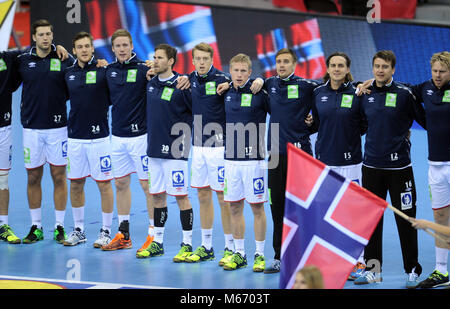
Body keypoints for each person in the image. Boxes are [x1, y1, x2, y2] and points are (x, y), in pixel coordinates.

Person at [355, 50, 426, 288]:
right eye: (377, 66)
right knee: (371, 220)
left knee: (406, 219)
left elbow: (426, 121)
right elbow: (362, 125)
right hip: (372, 168)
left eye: (385, 66)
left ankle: (412, 270)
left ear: (393, 69)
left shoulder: (405, 94)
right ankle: (373, 270)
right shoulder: (365, 94)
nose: (380, 70)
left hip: (400, 170)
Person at [253, 48, 317, 274]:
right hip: (275, 156)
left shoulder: (307, 86)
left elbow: (331, 91)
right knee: (277, 206)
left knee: (302, 207)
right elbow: (249, 81)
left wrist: (313, 120)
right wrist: (260, 78)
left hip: (300, 155)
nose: (281, 65)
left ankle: (307, 256)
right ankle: (280, 256)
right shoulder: (269, 84)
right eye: (278, 62)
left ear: (294, 64)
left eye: (286, 62)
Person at [15, 19, 75, 244]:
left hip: (58, 129)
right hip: (31, 129)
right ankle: (36, 227)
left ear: (52, 35)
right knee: (33, 177)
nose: (45, 38)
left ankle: (59, 226)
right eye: (41, 34)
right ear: (34, 37)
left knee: (59, 176)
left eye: (49, 34)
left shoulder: (62, 58)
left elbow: (78, 76)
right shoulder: (22, 60)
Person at [309, 52, 366, 280]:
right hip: (324, 161)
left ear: (347, 68)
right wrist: (309, 124)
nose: (336, 69)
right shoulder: (318, 93)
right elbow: (318, 123)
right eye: (333, 65)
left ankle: (359, 261)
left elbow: (364, 124)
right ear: (328, 67)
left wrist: (348, 139)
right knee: (326, 212)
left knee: (351, 213)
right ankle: (331, 259)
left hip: (351, 163)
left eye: (340, 65)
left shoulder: (357, 93)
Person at [136, 43, 195, 262]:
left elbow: (195, 112)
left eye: (160, 57)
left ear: (171, 61)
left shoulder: (182, 85)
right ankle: (157, 243)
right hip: (153, 151)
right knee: (157, 196)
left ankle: (187, 244)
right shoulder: (151, 82)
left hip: (175, 152)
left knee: (181, 197)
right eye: (154, 57)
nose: (155, 60)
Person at [100, 29, 154, 253]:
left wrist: (157, 65)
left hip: (140, 137)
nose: (122, 49)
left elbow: (168, 72)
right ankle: (124, 233)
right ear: (113, 48)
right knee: (120, 184)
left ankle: (154, 235)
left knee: (147, 186)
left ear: (132, 46)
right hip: (117, 137)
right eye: (118, 46)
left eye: (126, 45)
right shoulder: (108, 71)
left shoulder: (144, 69)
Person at [62, 31, 114, 248]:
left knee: (104, 185)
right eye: (79, 47)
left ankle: (106, 231)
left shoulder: (103, 71)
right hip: (75, 138)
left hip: (99, 138)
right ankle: (79, 230)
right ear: (74, 51)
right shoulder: (67, 74)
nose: (84, 50)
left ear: (93, 49)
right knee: (75, 184)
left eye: (87, 46)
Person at [183, 42, 233, 264]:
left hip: (220, 149)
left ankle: (231, 248)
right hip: (198, 148)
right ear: (193, 60)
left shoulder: (223, 80)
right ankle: (207, 245)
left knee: (223, 199)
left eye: (205, 59)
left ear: (211, 59)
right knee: (203, 195)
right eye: (198, 59)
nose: (201, 62)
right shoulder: (188, 80)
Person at [220, 53, 269, 272]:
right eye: (235, 70)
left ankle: (259, 255)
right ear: (230, 72)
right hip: (230, 160)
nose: (239, 75)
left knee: (257, 208)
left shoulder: (259, 93)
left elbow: (278, 95)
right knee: (234, 206)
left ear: (250, 72)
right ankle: (239, 253)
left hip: (254, 161)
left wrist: (263, 80)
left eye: (243, 71)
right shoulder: (226, 91)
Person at [408, 51, 450, 288]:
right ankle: (441, 271)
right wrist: (370, 85)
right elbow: (401, 92)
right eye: (434, 70)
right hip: (436, 165)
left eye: (442, 71)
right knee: (441, 217)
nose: (437, 75)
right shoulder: (424, 88)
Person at [0, 49, 26, 244]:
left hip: (3, 129)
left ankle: (3, 224)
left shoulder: (7, 58)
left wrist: (57, 47)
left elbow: (33, 50)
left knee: (2, 179)